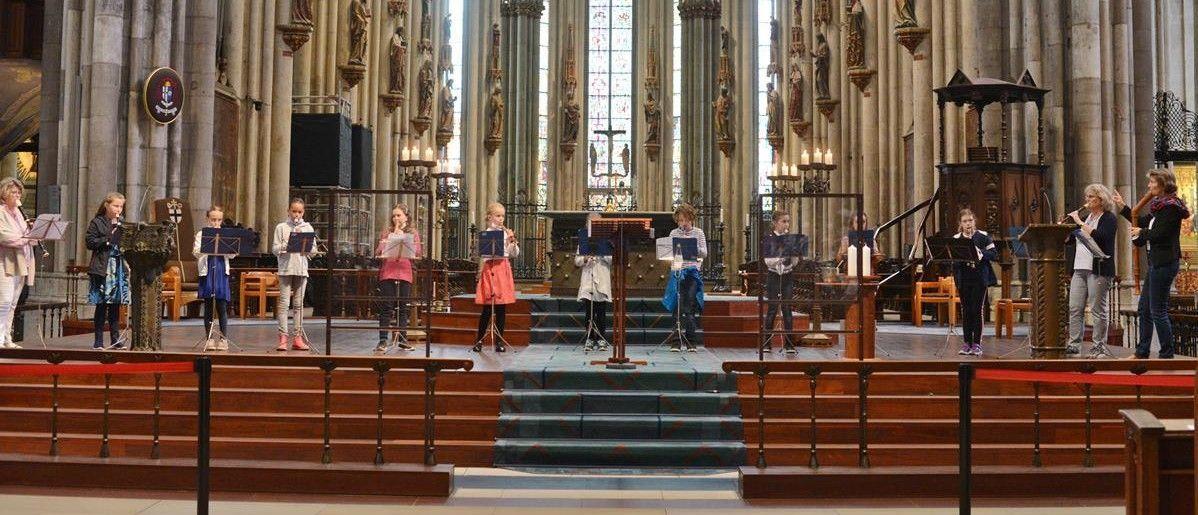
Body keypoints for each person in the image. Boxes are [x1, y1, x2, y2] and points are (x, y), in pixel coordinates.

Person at [1115, 169, 1191, 359]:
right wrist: (1123, 208)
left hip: (1165, 262)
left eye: (1152, 182)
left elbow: (1161, 234)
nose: (1149, 186)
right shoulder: (1159, 207)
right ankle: (1142, 351)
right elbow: (1141, 221)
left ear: (1163, 184)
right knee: (1144, 309)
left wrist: (1141, 233)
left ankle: (1166, 354)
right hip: (1156, 263)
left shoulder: (1171, 207)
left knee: (1158, 310)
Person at [1063, 184, 1118, 358]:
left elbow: (1102, 236)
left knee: (1097, 309)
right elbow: (1071, 240)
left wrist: (1079, 223)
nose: (1087, 200)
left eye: (1091, 197)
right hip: (1079, 268)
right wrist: (1062, 230)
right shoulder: (1086, 218)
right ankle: (1074, 344)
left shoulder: (1109, 218)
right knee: (1075, 307)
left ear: (1101, 200)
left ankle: (1099, 346)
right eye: (1087, 197)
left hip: (1098, 269)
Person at [85, 192, 130, 350]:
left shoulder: (122, 223)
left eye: (121, 206)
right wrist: (107, 239)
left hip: (117, 267)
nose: (118, 209)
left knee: (115, 305)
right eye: (115, 206)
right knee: (102, 305)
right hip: (103, 267)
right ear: (107, 205)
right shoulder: (97, 222)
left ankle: (115, 340)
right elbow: (90, 242)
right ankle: (98, 341)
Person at [375, 204, 422, 353]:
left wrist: (403, 238)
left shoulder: (413, 233)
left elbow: (418, 253)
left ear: (406, 217)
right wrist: (392, 237)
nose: (395, 218)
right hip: (388, 272)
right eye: (394, 215)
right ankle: (383, 340)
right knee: (386, 307)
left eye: (399, 215)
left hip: (404, 272)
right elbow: (379, 252)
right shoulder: (387, 232)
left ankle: (402, 339)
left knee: (402, 308)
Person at [474, 202, 519, 353]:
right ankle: (479, 340)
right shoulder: (487, 233)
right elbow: (485, 255)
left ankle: (499, 341)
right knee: (487, 308)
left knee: (501, 308)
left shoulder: (506, 234)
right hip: (490, 269)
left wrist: (512, 242)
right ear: (490, 217)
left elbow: (514, 254)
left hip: (502, 270)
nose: (501, 219)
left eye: (502, 216)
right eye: (498, 216)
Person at [272, 198, 316, 352]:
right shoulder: (281, 227)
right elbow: (275, 249)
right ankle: (283, 337)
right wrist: (288, 242)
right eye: (294, 211)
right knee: (284, 304)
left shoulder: (307, 227)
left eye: (299, 212)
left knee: (298, 305)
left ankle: (297, 337)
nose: (296, 214)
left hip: (301, 269)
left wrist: (306, 244)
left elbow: (313, 251)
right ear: (288, 211)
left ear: (303, 212)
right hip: (286, 269)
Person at [952, 208, 997, 356]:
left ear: (974, 221)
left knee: (977, 310)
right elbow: (953, 260)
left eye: (970, 220)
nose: (968, 224)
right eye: (965, 221)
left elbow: (994, 254)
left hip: (979, 278)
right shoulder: (956, 239)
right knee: (966, 311)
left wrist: (981, 253)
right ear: (960, 223)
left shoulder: (983, 237)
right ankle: (967, 343)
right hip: (964, 279)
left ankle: (977, 344)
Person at [664, 203, 708, 352]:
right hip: (677, 272)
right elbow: (668, 252)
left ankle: (691, 342)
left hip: (691, 273)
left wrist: (692, 246)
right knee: (676, 308)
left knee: (689, 308)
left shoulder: (699, 233)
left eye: (686, 220)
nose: (683, 223)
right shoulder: (673, 233)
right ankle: (676, 342)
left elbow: (704, 253)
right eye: (680, 220)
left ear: (691, 219)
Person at [0, 178, 37, 349]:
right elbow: (4, 236)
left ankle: (7, 338)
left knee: (13, 302)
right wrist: (26, 238)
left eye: (19, 192)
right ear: (4, 193)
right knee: (4, 301)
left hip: (22, 261)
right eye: (13, 192)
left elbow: (27, 236)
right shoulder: (1, 212)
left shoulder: (20, 213)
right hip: (5, 261)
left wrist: (35, 232)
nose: (17, 195)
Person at [194, 206, 234, 352]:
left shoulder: (225, 234)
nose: (216, 223)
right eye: (213, 220)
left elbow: (232, 255)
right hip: (208, 270)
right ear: (208, 219)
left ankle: (223, 339)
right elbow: (196, 252)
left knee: (222, 306)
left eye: (219, 220)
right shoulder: (201, 234)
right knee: (209, 305)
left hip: (221, 270)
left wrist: (229, 248)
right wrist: (208, 247)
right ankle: (209, 338)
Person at [575, 212, 612, 352]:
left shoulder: (606, 240)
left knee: (601, 312)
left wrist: (602, 253)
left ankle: (601, 338)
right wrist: (584, 258)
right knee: (589, 312)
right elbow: (577, 260)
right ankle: (590, 338)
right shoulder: (584, 240)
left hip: (602, 279)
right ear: (587, 224)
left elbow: (612, 260)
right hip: (588, 278)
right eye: (591, 223)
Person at [762, 211, 798, 354]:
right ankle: (767, 343)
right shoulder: (769, 239)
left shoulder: (791, 239)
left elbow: (795, 262)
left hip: (787, 276)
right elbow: (767, 261)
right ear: (775, 223)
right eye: (784, 221)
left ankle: (789, 344)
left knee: (787, 309)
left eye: (788, 221)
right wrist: (780, 257)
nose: (786, 224)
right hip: (774, 276)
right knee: (772, 309)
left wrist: (794, 254)